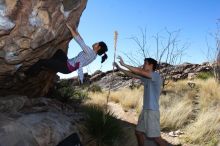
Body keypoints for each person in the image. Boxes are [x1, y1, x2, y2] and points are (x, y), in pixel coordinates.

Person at [113, 56, 171, 146]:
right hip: (145, 111)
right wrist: (119, 68)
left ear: (151, 65)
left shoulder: (155, 75)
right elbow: (131, 74)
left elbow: (139, 71)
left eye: (145, 63)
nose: (143, 65)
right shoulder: (146, 78)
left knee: (156, 138)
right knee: (138, 132)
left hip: (152, 111)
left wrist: (124, 64)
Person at [21, 24, 108, 83]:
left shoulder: (90, 53)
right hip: (67, 62)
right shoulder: (93, 54)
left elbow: (80, 42)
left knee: (41, 62)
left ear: (98, 47)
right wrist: (76, 30)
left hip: (65, 68)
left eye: (97, 43)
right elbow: (83, 41)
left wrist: (71, 29)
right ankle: (51, 66)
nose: (95, 43)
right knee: (59, 52)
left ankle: (26, 75)